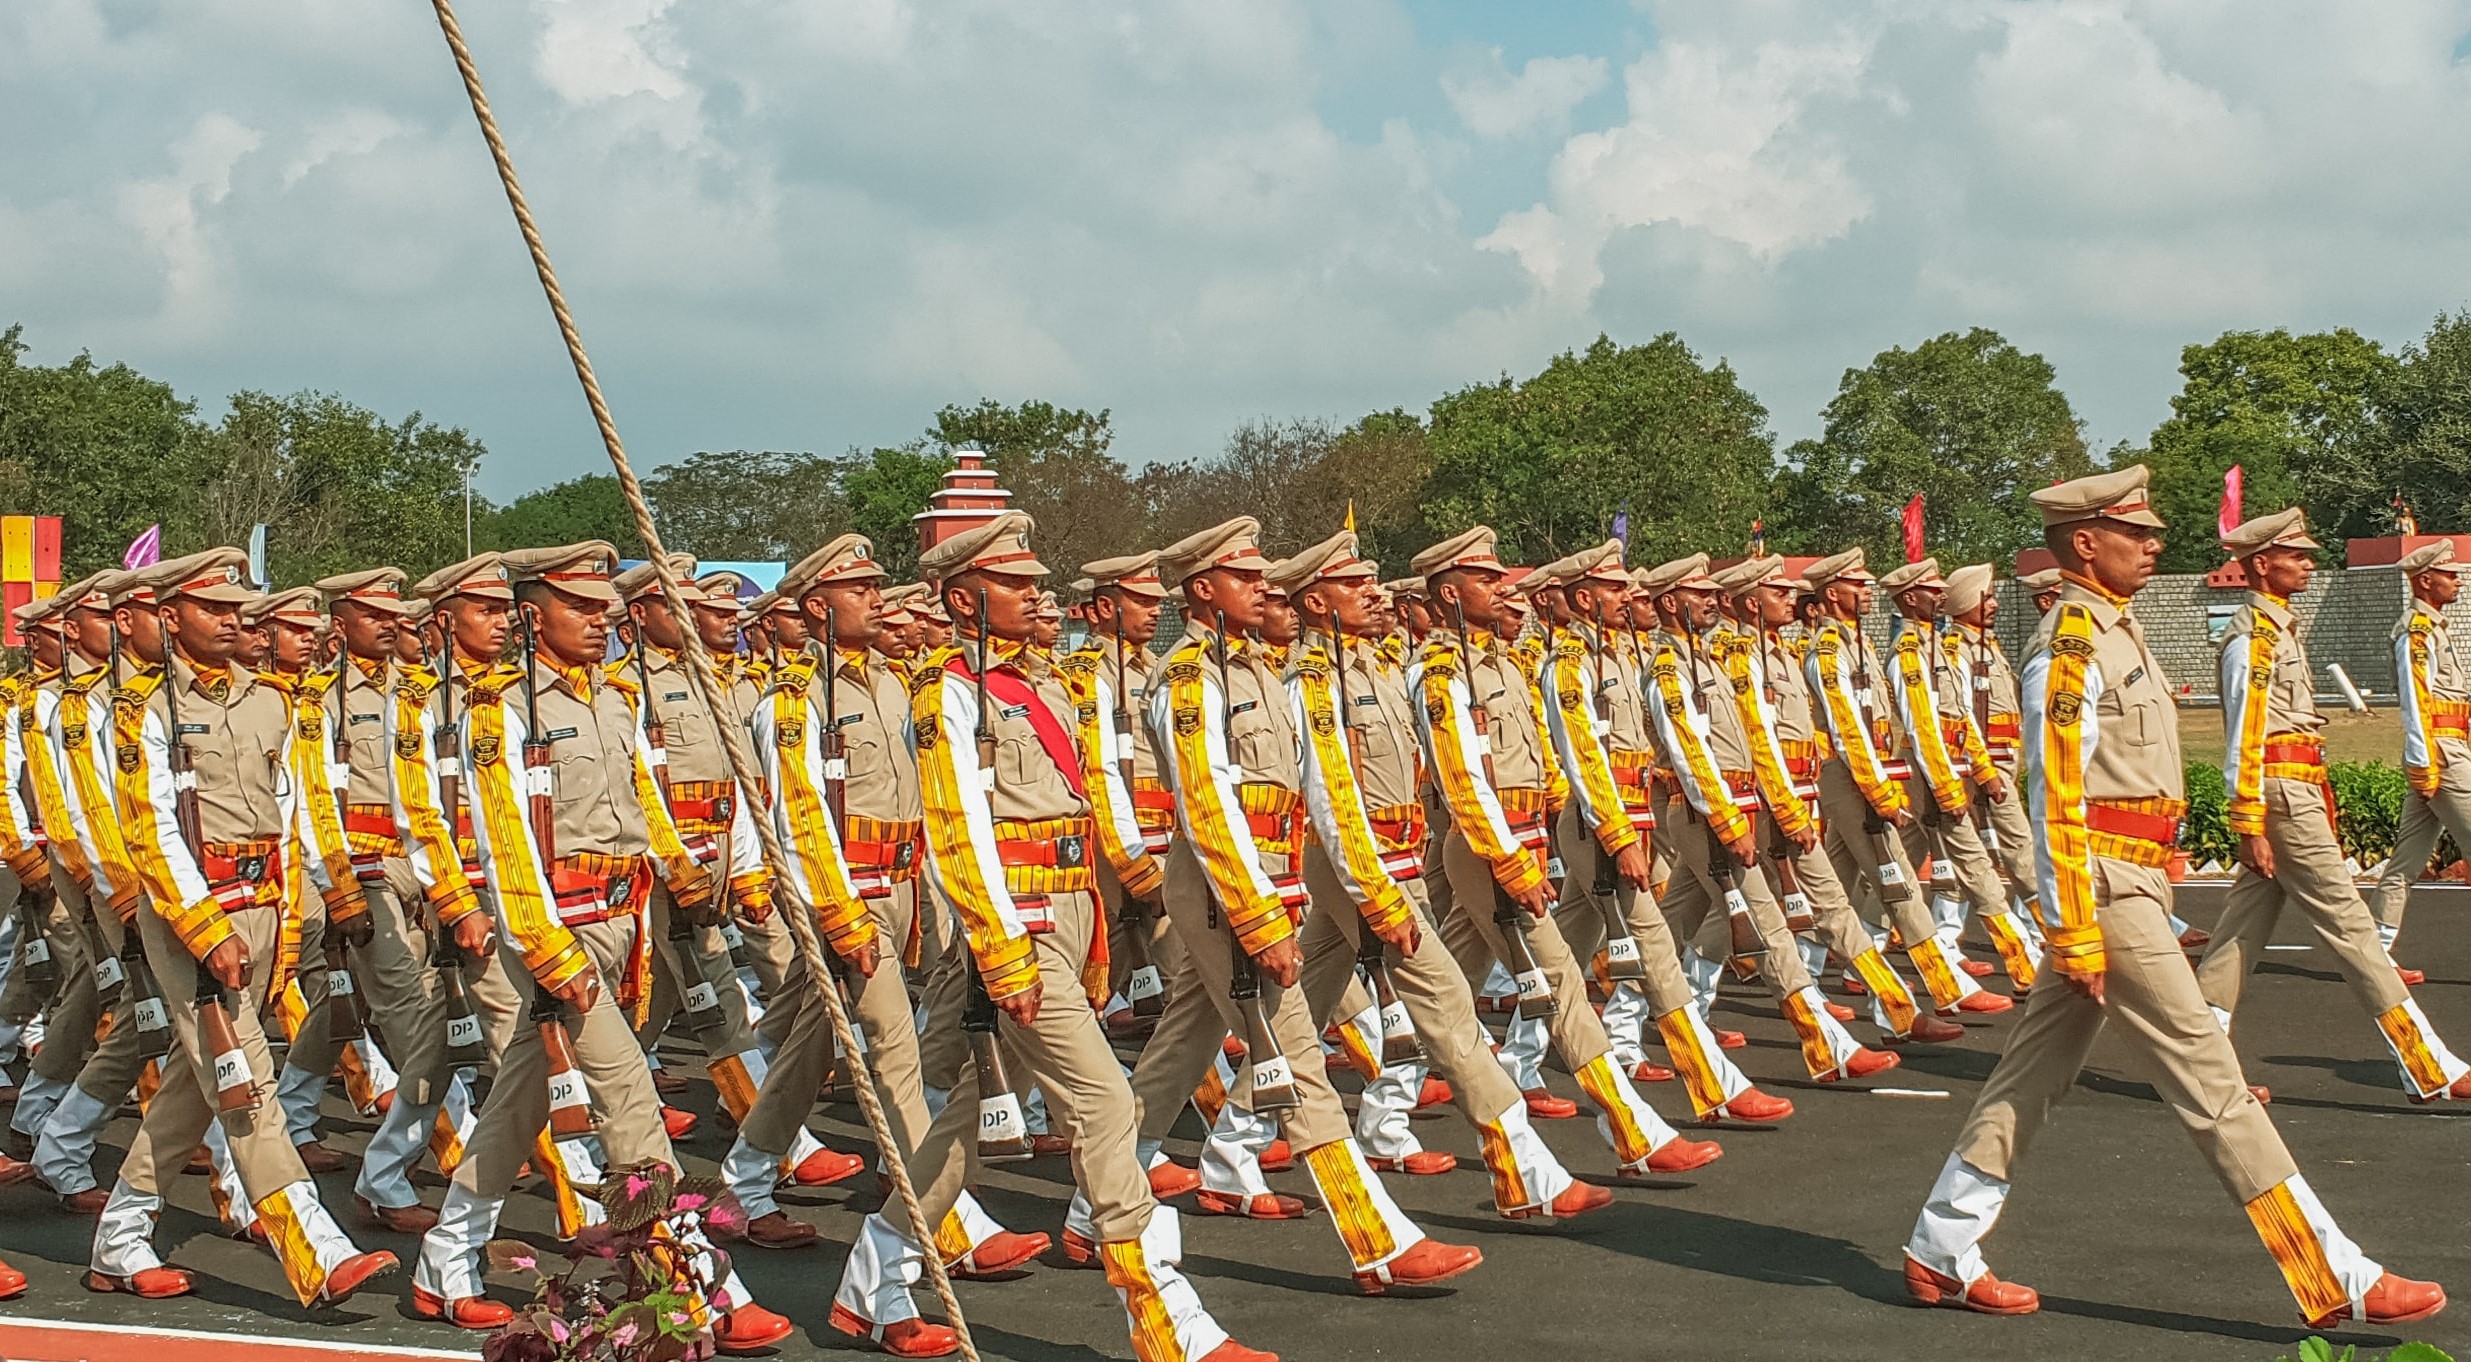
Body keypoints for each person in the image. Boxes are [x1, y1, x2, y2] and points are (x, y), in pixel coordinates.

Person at [1904, 467, 2445, 1329]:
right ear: (2085, 542)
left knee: (2028, 1077)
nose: (2156, 545)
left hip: (2135, 882)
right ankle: (2329, 1271)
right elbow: (2055, 800)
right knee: (2209, 1076)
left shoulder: (2119, 631)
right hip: (2107, 891)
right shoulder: (2070, 643)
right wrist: (2075, 927)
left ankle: (1938, 1245)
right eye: (2136, 533)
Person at [830, 510, 1271, 1362]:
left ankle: (871, 1279)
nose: (1037, 592)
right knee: (1104, 1103)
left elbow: (1087, 803)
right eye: (1015, 583)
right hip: (1016, 932)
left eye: (1037, 579)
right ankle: (1161, 1314)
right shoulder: (947, 692)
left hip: (1068, 916)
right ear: (964, 597)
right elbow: (958, 829)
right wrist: (1002, 951)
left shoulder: (1042, 683)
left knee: (959, 1130)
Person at [410, 542, 788, 1352]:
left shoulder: (614, 701)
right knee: (631, 1106)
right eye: (580, 606)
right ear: (531, 615)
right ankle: (695, 1287)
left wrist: (690, 873)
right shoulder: (499, 710)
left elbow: (647, 801)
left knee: (517, 1106)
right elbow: (506, 841)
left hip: (628, 926)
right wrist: (549, 951)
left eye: (603, 605)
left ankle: (444, 1258)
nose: (601, 617)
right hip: (562, 934)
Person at [1120, 516, 1480, 1292]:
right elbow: (1207, 805)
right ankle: (1375, 1240)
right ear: (1201, 590)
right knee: (1299, 1060)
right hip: (1223, 886)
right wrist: (1258, 916)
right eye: (1244, 576)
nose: (1262, 586)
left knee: (1179, 1051)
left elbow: (1323, 790)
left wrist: (1360, 887)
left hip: (1273, 876)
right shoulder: (1190, 678)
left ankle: (1095, 1206)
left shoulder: (1266, 673)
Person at [94, 548, 395, 1305]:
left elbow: (292, 816)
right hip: (197, 920)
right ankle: (316, 1248)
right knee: (244, 1079)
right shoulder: (141, 712)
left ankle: (120, 1238)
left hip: (265, 910)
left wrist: (293, 922)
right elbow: (150, 832)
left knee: (195, 1087)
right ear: (169, 617)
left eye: (237, 609)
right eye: (214, 609)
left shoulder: (273, 702)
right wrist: (203, 927)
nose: (234, 621)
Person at [1413, 526, 1721, 1177]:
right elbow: (1465, 783)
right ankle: (1632, 1131)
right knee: (1558, 982)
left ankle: (1380, 1100)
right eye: (1484, 580)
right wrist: (1513, 860)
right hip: (1485, 850)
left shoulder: (1497, 662)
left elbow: (1545, 762)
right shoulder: (1440, 673)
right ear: (1447, 592)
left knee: (1441, 984)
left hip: (1517, 841)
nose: (1501, 588)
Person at [2192, 510, 2471, 1104]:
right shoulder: (2253, 639)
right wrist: (2248, 821)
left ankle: (2200, 1059)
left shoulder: (2279, 631)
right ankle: (2426, 1064)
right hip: (2280, 798)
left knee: (2240, 932)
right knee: (2351, 929)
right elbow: (2243, 735)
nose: (2310, 565)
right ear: (2261, 565)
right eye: (2297, 556)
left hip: (2294, 792)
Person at [1711, 556, 1950, 1049]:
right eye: (1779, 593)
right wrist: (1788, 808)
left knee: (1706, 924)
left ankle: (1896, 1011)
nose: (1791, 599)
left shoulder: (1777, 652)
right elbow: (1760, 739)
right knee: (1772, 922)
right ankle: (1833, 1037)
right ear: (1751, 602)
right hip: (1756, 803)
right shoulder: (1743, 657)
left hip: (1794, 794)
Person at [1802, 549, 2002, 1018]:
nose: (1866, 591)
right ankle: (1928, 994)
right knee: (1898, 884)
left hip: (1869, 774)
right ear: (1832, 594)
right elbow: (1848, 728)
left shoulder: (1860, 646)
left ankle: (1809, 982)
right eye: (1857, 585)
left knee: (1833, 885)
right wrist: (1880, 794)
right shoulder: (1828, 652)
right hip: (1851, 779)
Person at [2368, 539, 2471, 978]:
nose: (2458, 579)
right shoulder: (2417, 631)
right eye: (2450, 573)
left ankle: (2374, 953)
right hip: (2441, 755)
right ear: (2425, 580)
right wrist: (2423, 763)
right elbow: (2415, 700)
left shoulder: (2435, 628)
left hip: (2443, 750)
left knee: (2406, 861)